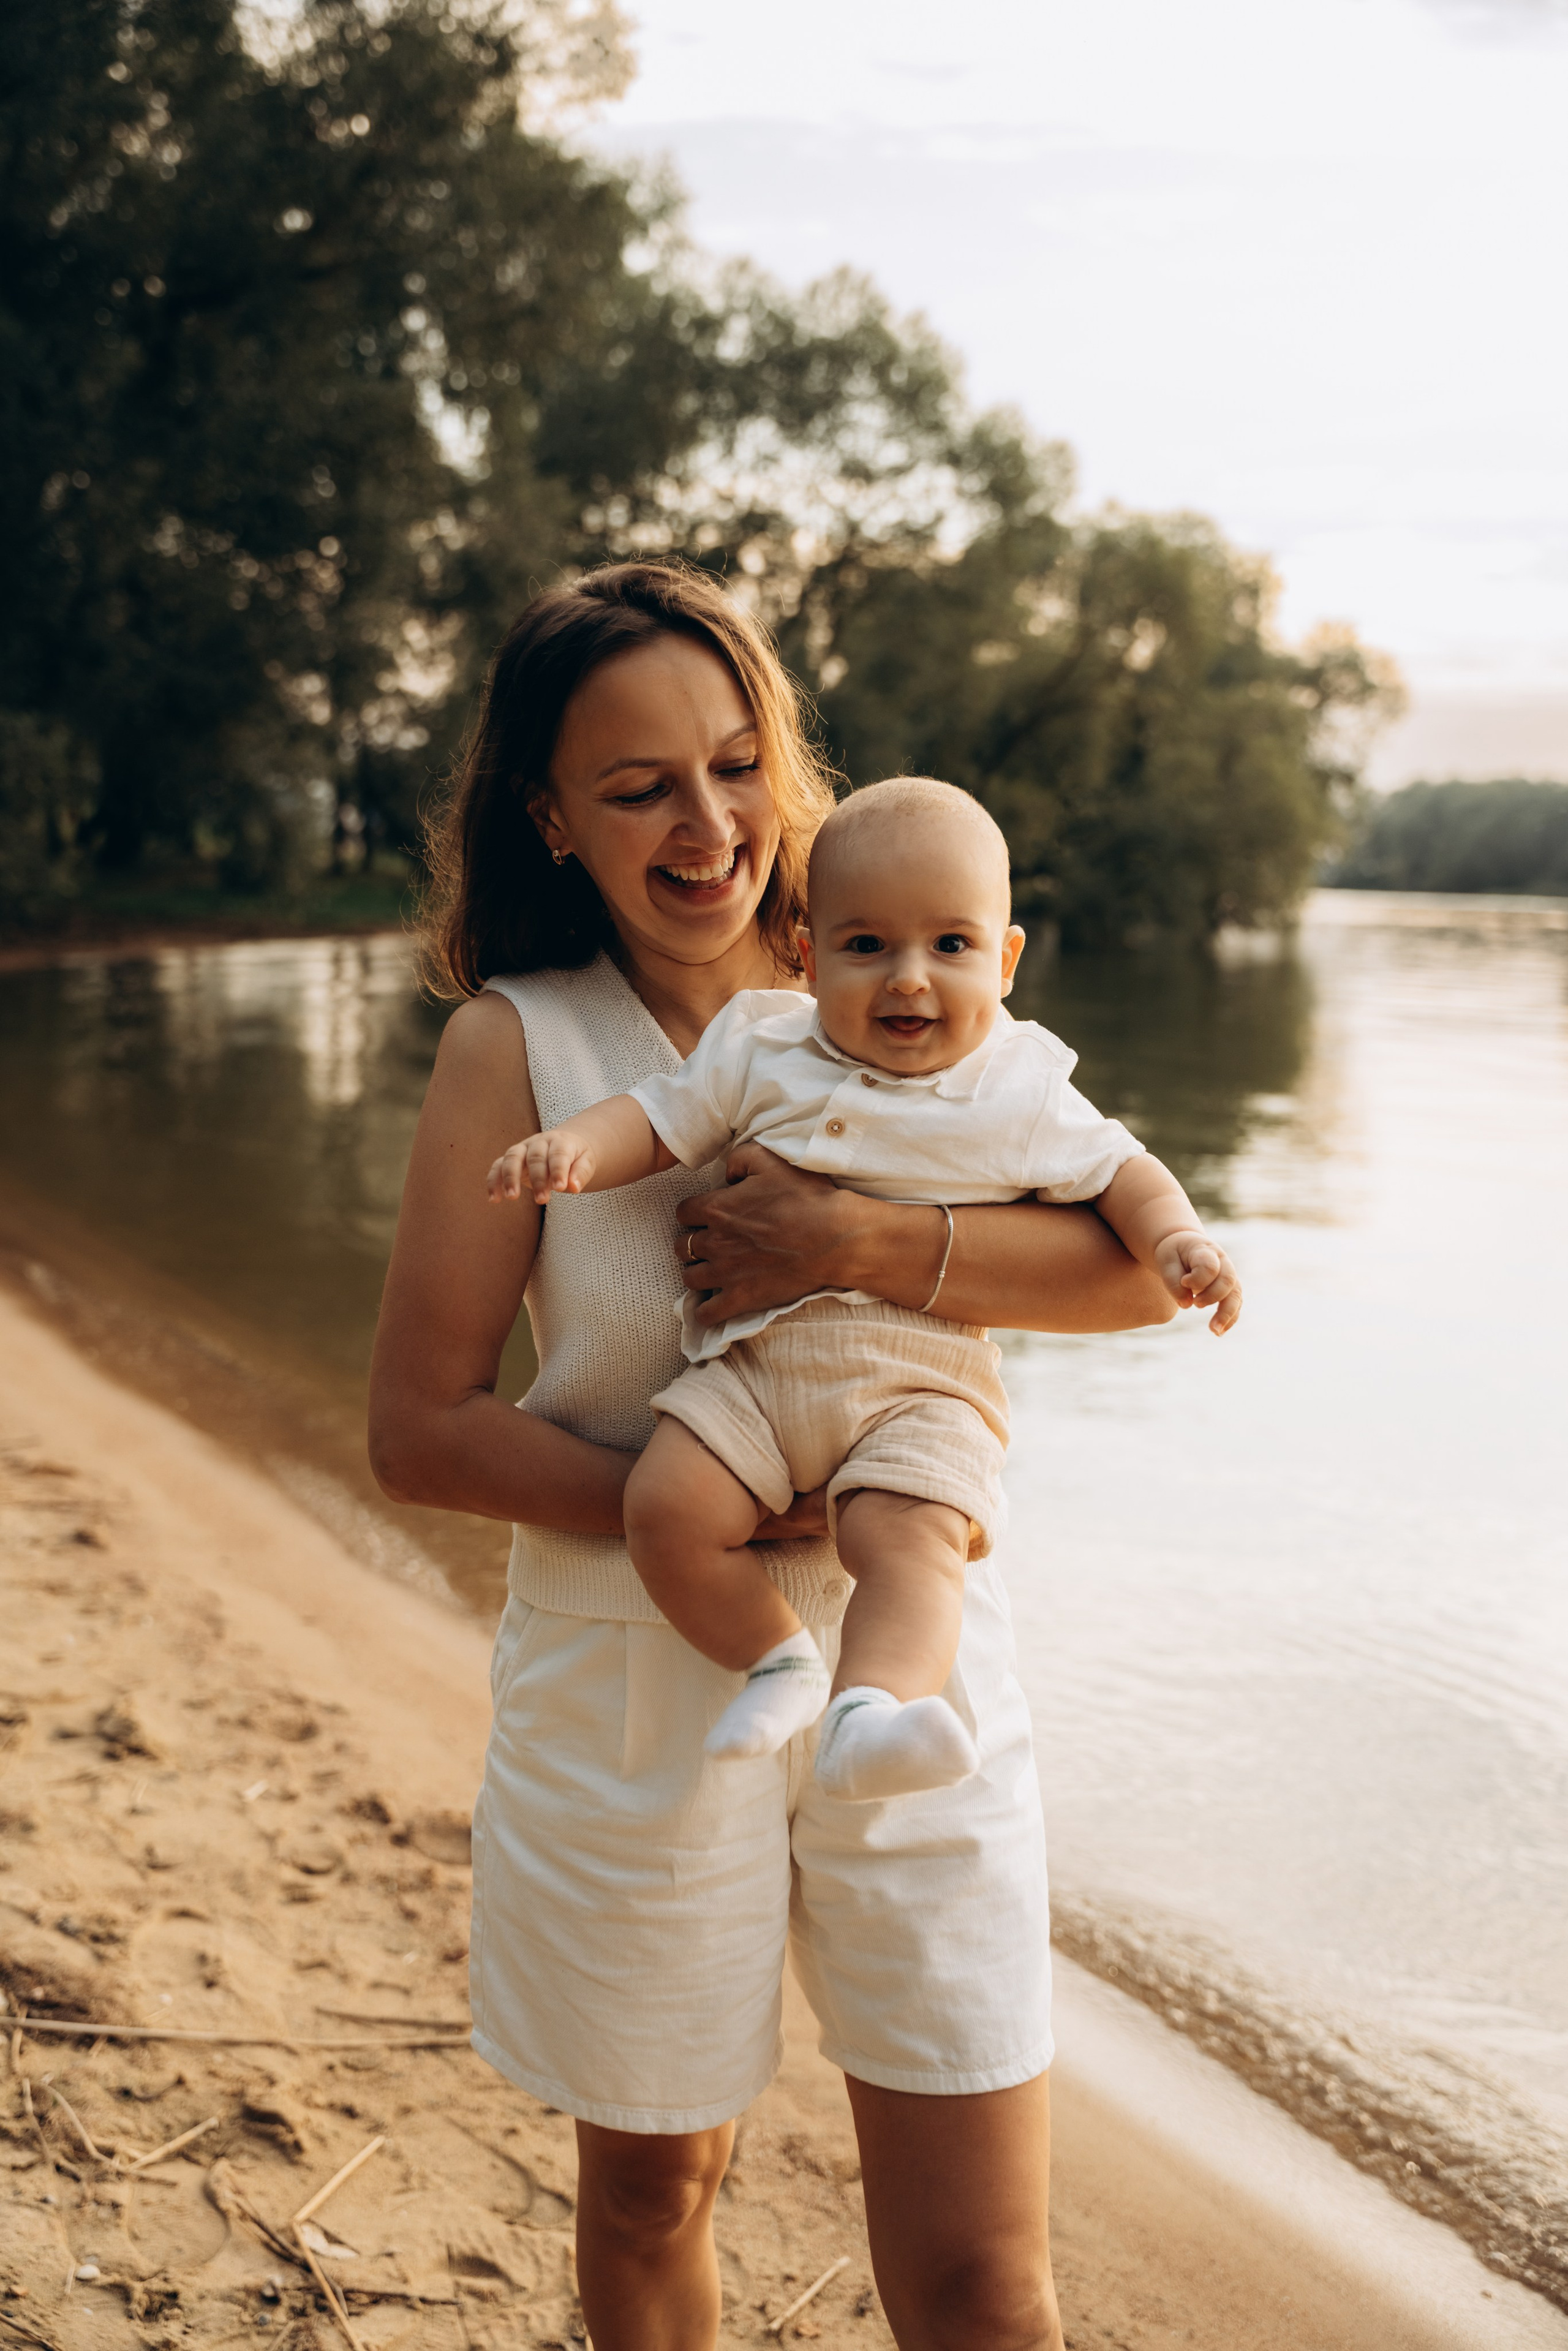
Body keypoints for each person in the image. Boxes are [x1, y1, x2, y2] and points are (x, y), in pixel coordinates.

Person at [368, 560, 1177, 2351]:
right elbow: (420, 1430)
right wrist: (728, 1515)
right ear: (550, 814)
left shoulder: (901, 969)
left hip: (925, 1669)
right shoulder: (519, 1045)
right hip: (640, 1682)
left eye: (736, 761)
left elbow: (1136, 1270)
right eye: (640, 782)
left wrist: (867, 1245)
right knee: (660, 2192)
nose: (707, 821)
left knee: (986, 2280)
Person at [488, 778, 1241, 1805]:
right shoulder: (763, 1046)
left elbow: (1121, 1172)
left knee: (915, 1542)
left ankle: (869, 1711)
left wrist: (1181, 1241)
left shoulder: (1018, 1085)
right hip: (752, 1370)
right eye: (867, 947)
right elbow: (658, 1115)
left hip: (921, 1386)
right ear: (807, 953)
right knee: (664, 1506)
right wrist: (572, 1146)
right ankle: (779, 1660)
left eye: (951, 947)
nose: (910, 981)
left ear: (1007, 958)